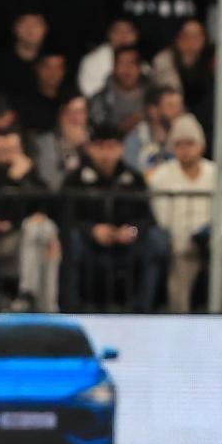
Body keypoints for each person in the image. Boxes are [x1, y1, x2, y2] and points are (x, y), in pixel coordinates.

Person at [60, 123, 162, 313]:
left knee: (155, 241)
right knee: (71, 241)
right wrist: (91, 231)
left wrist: (132, 231)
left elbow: (147, 219)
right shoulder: (74, 180)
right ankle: (72, 307)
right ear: (90, 148)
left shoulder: (134, 179)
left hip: (126, 247)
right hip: (89, 248)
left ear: (121, 148)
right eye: (100, 146)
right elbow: (66, 218)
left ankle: (143, 308)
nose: (106, 154)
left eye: (112, 147)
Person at [149, 114, 222, 313]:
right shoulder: (162, 175)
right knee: (180, 259)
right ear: (173, 148)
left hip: (214, 238)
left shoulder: (219, 174)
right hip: (181, 239)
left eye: (190, 143)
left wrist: (214, 235)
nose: (185, 149)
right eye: (179, 144)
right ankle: (179, 318)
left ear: (201, 145)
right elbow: (163, 216)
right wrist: (186, 236)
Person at [0, 129, 59, 312]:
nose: (9, 156)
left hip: (31, 238)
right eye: (4, 151)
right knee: (38, 231)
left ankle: (28, 294)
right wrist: (12, 179)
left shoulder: (32, 177)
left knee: (42, 229)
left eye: (13, 150)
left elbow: (49, 206)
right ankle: (45, 303)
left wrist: (23, 179)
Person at [88, 45, 146, 134]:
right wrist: (118, 129)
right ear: (114, 68)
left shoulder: (153, 96)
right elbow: (95, 131)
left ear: (140, 68)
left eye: (132, 63)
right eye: (121, 63)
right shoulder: (101, 99)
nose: (127, 69)